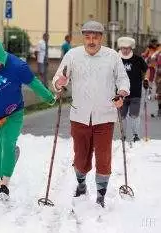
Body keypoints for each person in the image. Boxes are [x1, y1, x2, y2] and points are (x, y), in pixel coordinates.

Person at [52, 21, 130, 207]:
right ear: (83, 37)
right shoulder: (73, 55)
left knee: (103, 157)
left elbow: (122, 79)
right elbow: (57, 78)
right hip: (79, 115)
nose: (91, 41)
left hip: (105, 115)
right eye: (88, 37)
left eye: (95, 37)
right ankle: (81, 185)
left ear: (101, 38)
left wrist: (121, 93)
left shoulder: (112, 56)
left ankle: (101, 195)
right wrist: (59, 83)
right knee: (80, 156)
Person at [0, 39, 55, 199]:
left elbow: (34, 83)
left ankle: (5, 184)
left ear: (2, 57)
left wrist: (49, 97)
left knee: (8, 144)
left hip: (12, 114)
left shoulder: (18, 67)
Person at [117, 37, 148, 142]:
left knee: (134, 115)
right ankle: (123, 135)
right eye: (123, 48)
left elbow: (146, 69)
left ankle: (135, 135)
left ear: (131, 48)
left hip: (135, 92)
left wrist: (146, 79)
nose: (125, 50)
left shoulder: (138, 59)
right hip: (121, 93)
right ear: (120, 48)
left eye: (127, 48)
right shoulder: (116, 59)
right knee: (122, 116)